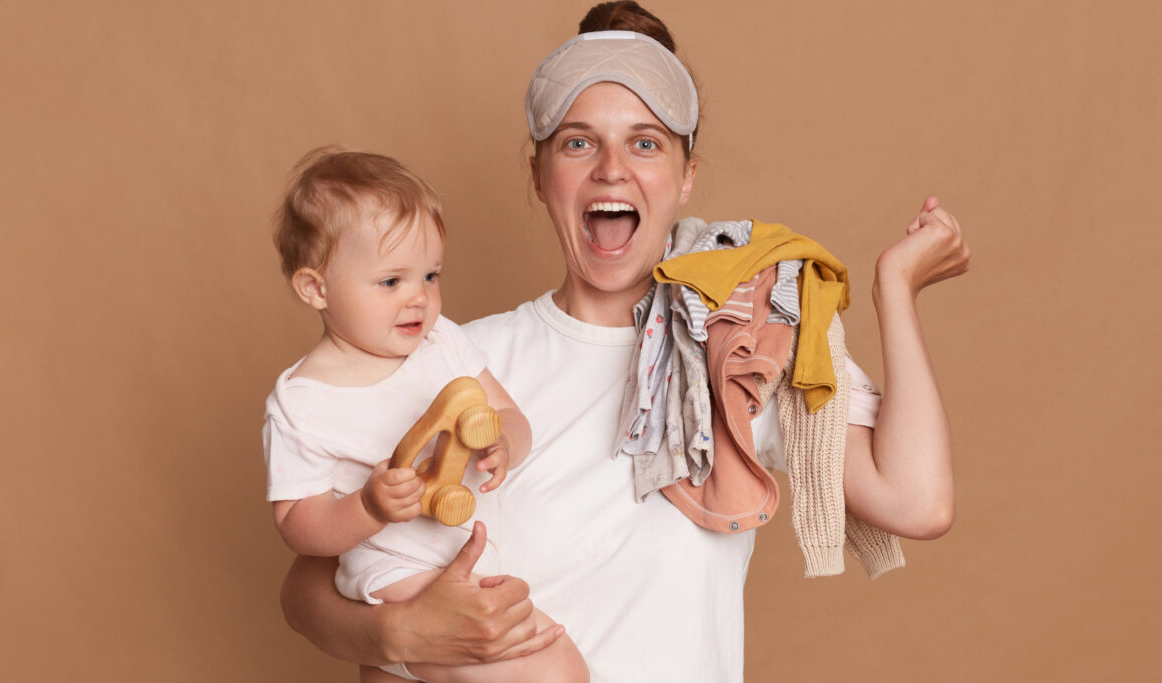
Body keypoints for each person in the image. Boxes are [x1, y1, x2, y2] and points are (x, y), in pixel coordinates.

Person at [279, 3, 970, 681]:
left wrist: (895, 291)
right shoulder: (451, 357)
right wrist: (399, 630)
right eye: (579, 142)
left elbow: (917, 501)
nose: (612, 168)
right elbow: (308, 582)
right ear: (539, 175)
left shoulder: (737, 355)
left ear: (687, 175)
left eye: (645, 142)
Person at [263, 147, 588, 682]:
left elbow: (507, 413)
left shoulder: (442, 344)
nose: (419, 298)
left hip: (470, 558)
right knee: (557, 673)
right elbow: (298, 525)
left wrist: (504, 441)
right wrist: (367, 508)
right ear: (315, 288)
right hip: (391, 576)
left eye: (431, 276)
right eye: (392, 282)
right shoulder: (302, 403)